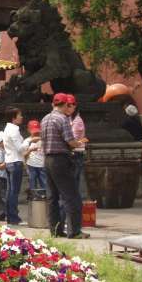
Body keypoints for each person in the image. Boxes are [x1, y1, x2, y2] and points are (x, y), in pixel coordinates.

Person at [41, 93, 89, 239]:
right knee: (72, 196)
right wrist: (79, 143)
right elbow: (70, 141)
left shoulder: (45, 119)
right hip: (61, 159)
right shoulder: (62, 119)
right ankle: (74, 231)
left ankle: (55, 230)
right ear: (65, 105)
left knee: (52, 197)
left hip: (47, 160)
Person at [3, 107, 25, 224]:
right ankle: (13, 216)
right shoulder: (14, 130)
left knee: (10, 190)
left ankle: (10, 215)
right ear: (13, 118)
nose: (21, 117)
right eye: (19, 115)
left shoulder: (8, 128)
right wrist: (29, 143)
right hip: (15, 161)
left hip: (9, 160)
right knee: (14, 191)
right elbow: (20, 148)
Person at [68, 97, 87, 199]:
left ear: (74, 107)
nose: (67, 108)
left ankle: (77, 200)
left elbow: (73, 139)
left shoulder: (77, 121)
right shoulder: (69, 119)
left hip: (76, 152)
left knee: (75, 178)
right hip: (71, 152)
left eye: (69, 106)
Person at [22, 120, 46, 195]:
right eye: (33, 131)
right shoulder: (27, 141)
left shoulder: (44, 140)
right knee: (32, 186)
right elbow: (23, 154)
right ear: (29, 130)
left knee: (45, 185)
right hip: (31, 165)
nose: (36, 132)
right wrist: (30, 149)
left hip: (43, 165)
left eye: (37, 130)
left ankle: (46, 203)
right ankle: (33, 203)